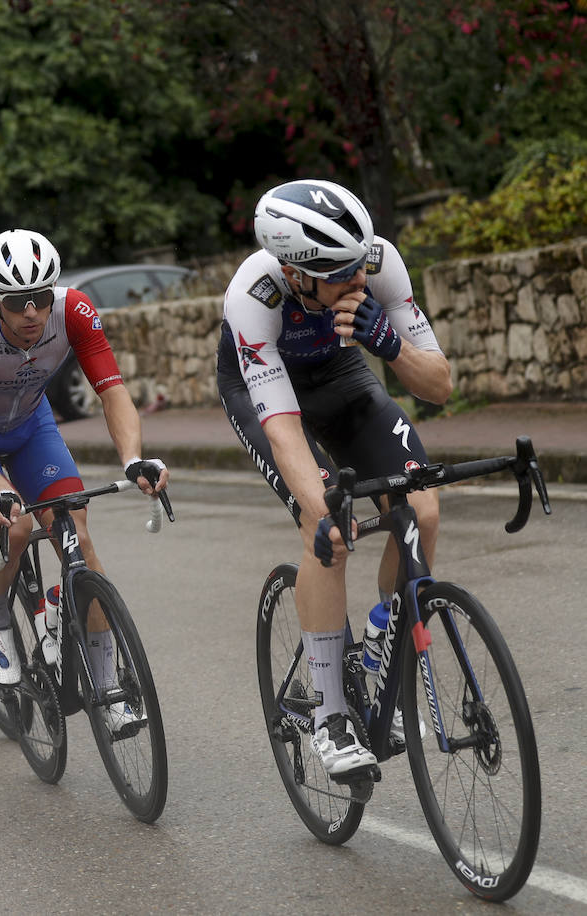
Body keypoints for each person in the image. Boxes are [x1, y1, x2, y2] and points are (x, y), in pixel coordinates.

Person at [216, 179, 450, 776]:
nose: (360, 280)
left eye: (360, 265)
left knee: (420, 512)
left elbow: (440, 387)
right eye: (341, 273)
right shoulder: (255, 295)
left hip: (341, 371)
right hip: (268, 392)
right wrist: (320, 507)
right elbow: (285, 430)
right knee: (328, 525)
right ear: (297, 274)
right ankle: (329, 714)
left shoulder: (376, 260)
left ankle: (378, 642)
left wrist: (389, 343)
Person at [0, 229, 167, 726]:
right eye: (17, 302)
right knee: (14, 527)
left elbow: (113, 390)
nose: (32, 313)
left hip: (31, 426)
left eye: (40, 298)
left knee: (76, 530)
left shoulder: (74, 310)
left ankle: (107, 686)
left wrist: (132, 459)